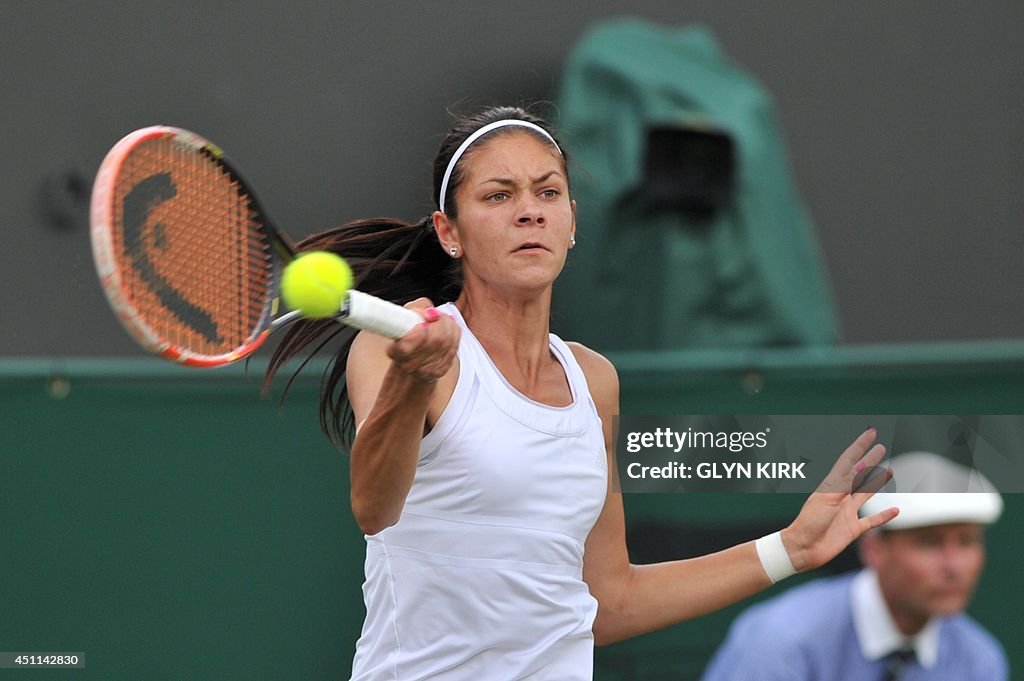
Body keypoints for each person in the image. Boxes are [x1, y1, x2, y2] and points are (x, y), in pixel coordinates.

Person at [265, 105, 897, 680]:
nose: (530, 210)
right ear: (449, 231)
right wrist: (412, 383)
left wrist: (789, 548)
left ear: (571, 223)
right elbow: (375, 508)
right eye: (498, 195)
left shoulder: (595, 381)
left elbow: (606, 600)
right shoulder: (392, 352)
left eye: (548, 192)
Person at [700, 451, 1007, 681]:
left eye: (967, 542)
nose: (954, 566)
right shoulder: (782, 641)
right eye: (929, 543)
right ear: (874, 549)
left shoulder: (979, 659)